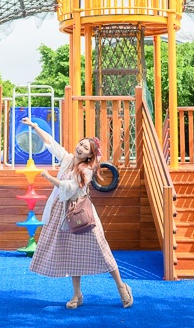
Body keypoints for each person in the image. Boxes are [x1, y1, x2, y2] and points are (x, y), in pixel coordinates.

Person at [21, 117, 133, 310]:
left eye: (85, 148)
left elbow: (70, 187)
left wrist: (49, 178)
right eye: (80, 144)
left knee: (102, 249)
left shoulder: (87, 170)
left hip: (82, 213)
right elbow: (51, 143)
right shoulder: (67, 160)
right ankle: (77, 294)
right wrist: (35, 127)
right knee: (72, 253)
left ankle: (121, 286)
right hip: (62, 212)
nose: (80, 148)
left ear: (90, 155)